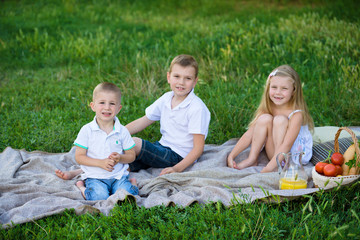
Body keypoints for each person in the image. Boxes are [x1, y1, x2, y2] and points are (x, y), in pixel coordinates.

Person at [126, 54, 211, 175]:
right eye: (177, 76)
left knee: (134, 143)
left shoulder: (197, 108)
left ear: (195, 81)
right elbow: (143, 121)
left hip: (179, 156)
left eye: (188, 78)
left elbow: (198, 148)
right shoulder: (166, 98)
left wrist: (177, 169)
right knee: (122, 162)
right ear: (168, 77)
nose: (181, 82)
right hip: (162, 147)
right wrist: (118, 132)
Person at [227, 65, 314, 173]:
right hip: (274, 152)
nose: (278, 92)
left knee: (280, 120)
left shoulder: (297, 114)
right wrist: (231, 155)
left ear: (294, 91)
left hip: (292, 157)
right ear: (268, 87)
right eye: (274, 87)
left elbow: (287, 144)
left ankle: (276, 166)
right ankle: (252, 159)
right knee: (264, 118)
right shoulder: (269, 108)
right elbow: (250, 134)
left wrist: (267, 168)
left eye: (284, 88)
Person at [65, 82, 139, 200]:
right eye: (102, 103)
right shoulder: (87, 130)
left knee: (128, 195)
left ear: (119, 108)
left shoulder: (122, 131)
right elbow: (79, 157)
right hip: (95, 177)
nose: (107, 107)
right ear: (93, 106)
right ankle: (82, 188)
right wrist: (100, 163)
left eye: (112, 103)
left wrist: (120, 157)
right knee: (99, 196)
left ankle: (132, 183)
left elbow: (131, 155)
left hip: (118, 177)